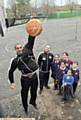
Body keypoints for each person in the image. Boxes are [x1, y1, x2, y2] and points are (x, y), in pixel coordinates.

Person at [8, 35, 38, 114]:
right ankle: (25, 107)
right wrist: (12, 82)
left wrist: (33, 30)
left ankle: (33, 102)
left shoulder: (28, 50)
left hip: (34, 76)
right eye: (17, 48)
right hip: (25, 79)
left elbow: (31, 39)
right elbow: (11, 72)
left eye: (20, 47)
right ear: (15, 50)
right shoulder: (15, 61)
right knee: (24, 94)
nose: (19, 49)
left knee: (34, 91)